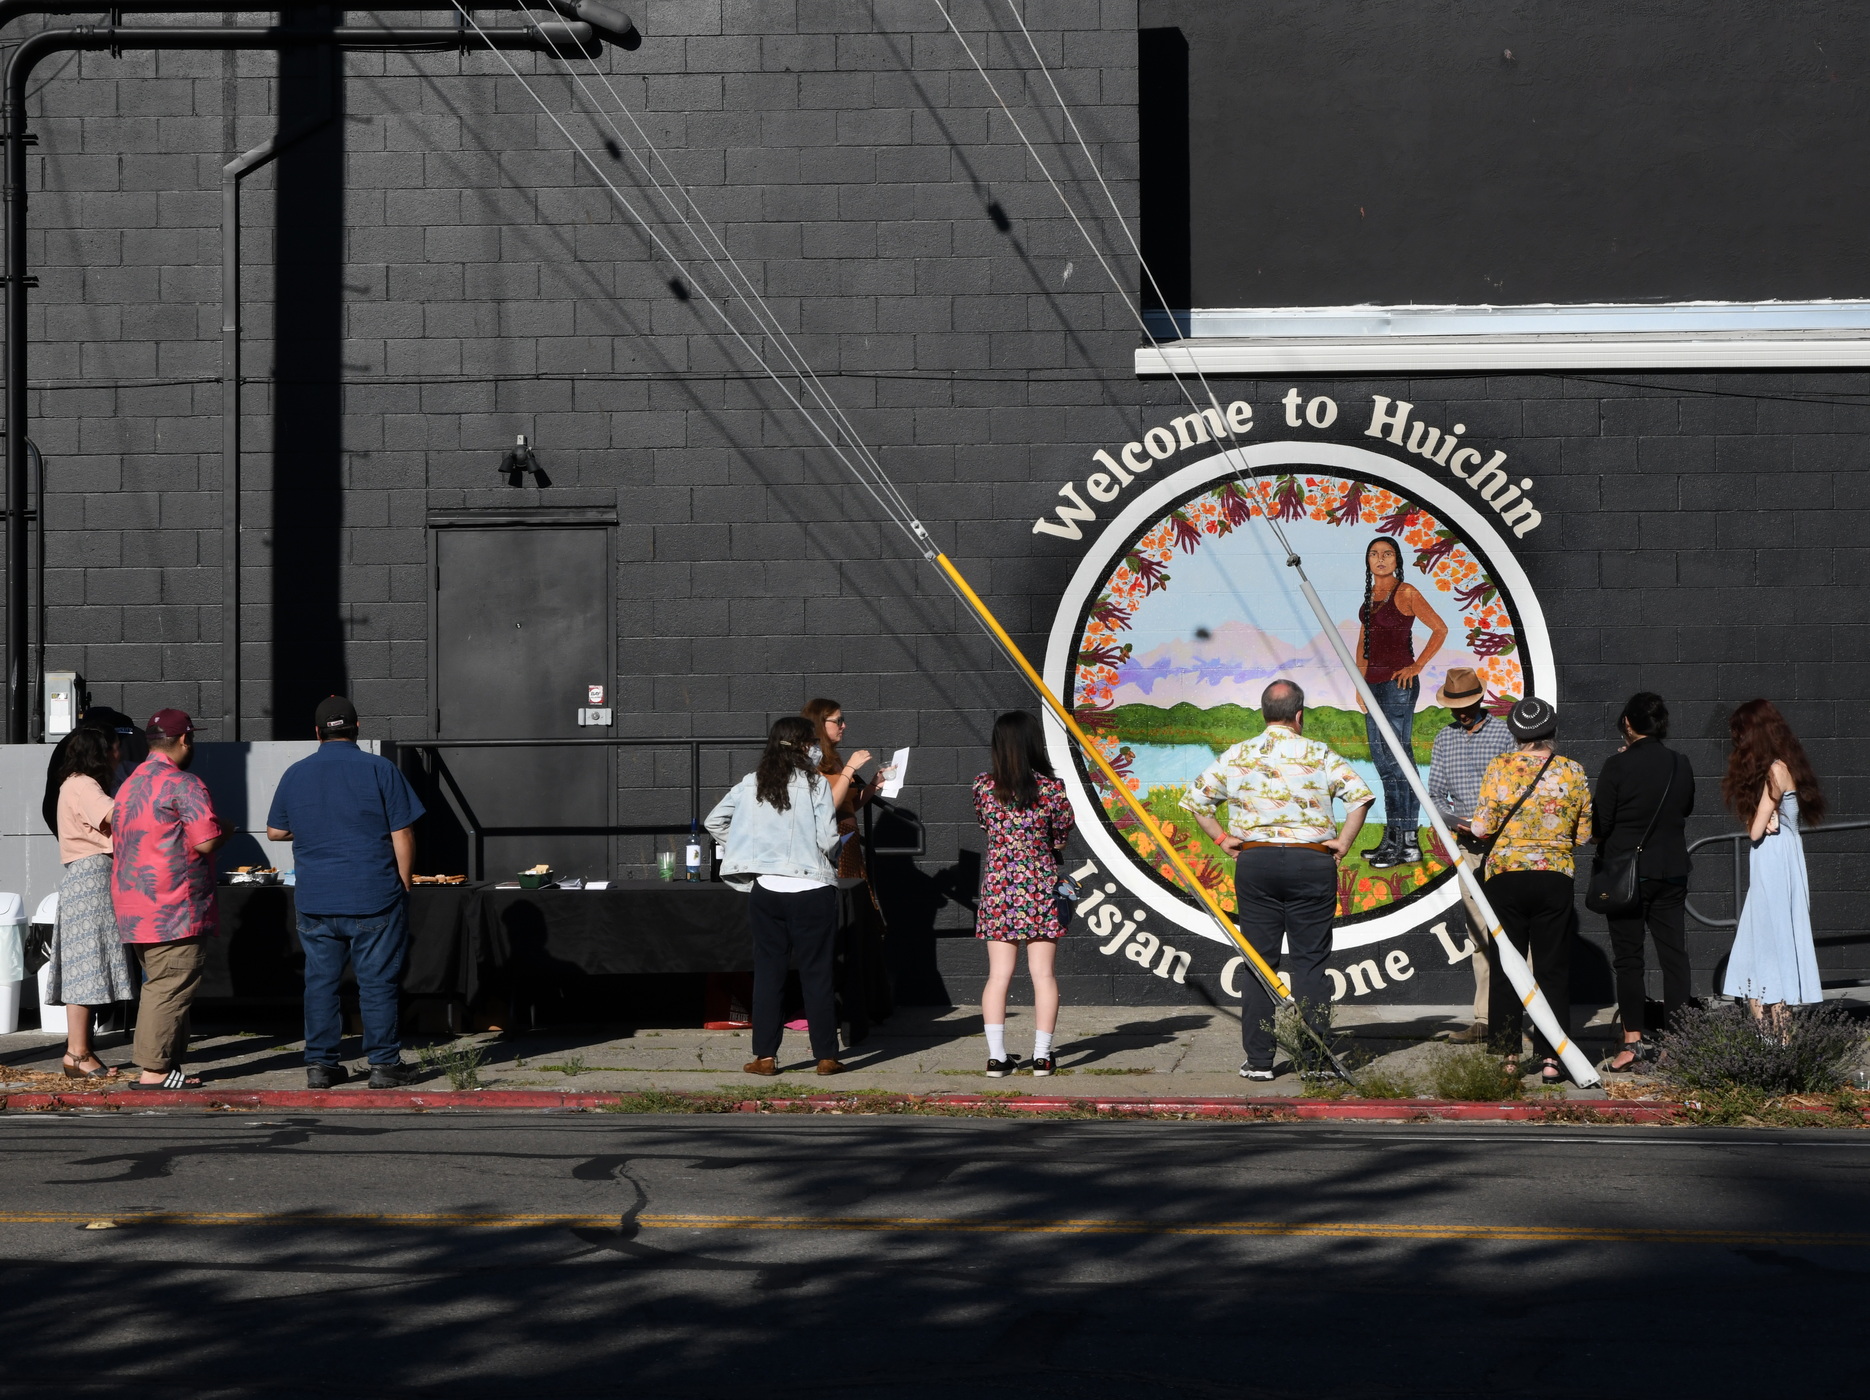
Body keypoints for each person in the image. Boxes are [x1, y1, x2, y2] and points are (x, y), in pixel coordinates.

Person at [1181, 679, 1374, 1080]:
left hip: (1257, 862)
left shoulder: (1238, 753)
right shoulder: (1319, 753)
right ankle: (1316, 1062)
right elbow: (1360, 797)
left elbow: (1197, 800)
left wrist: (1222, 839)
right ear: (1299, 715)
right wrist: (1343, 843)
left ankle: (1259, 1062)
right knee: (1311, 963)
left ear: (1263, 713)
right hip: (1311, 862)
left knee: (1258, 962)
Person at [265, 696, 427, 1089]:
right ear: (357, 728)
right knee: (376, 982)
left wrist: (316, 826)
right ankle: (384, 1065)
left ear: (317, 732)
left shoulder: (295, 773)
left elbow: (275, 831)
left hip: (316, 897)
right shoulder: (380, 768)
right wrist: (404, 882)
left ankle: (321, 1065)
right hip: (373, 893)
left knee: (320, 983)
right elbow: (403, 832)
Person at [706, 715, 845, 1076]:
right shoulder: (815, 784)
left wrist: (747, 851)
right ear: (803, 746)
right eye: (812, 742)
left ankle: (765, 1057)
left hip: (767, 890)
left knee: (769, 975)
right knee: (818, 974)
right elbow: (828, 838)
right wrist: (827, 855)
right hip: (812, 889)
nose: (816, 747)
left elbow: (714, 821)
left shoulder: (751, 783)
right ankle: (826, 1057)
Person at [1466, 698, 1593, 1085]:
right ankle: (1552, 1058)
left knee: (1508, 964)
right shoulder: (1573, 770)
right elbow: (1584, 835)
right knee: (1552, 969)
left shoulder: (1500, 767)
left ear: (1515, 733)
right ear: (1552, 732)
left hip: (1505, 874)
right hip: (1554, 875)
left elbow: (1481, 828)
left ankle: (1508, 1055)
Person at [111, 709, 226, 1089]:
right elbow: (206, 840)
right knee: (169, 988)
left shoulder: (128, 785)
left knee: (162, 983)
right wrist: (227, 829)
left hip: (135, 907)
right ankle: (154, 1072)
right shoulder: (184, 784)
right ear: (185, 740)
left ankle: (168, 1066)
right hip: (175, 908)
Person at [1592, 692, 1695, 1072]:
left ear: (1627, 723)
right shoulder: (1680, 763)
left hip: (1626, 876)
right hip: (1671, 871)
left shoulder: (1616, 766)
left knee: (1629, 959)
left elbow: (1600, 826)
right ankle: (1678, 1044)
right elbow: (1685, 808)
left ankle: (1632, 1043)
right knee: (1675, 958)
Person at [972, 710, 1075, 1077]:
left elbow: (986, 826)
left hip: (999, 888)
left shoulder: (983, 786)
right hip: (1039, 887)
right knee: (1043, 975)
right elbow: (1060, 835)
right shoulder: (1051, 789)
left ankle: (996, 1057)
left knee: (998, 975)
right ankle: (1042, 1056)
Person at [1719, 700, 1824, 1037]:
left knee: (1771, 950)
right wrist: (1764, 818)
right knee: (1756, 952)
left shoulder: (1776, 771)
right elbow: (1760, 823)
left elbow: (1753, 830)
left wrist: (1762, 818)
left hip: (1776, 866)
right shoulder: (1780, 768)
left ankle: (1779, 1044)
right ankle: (1771, 1044)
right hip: (1774, 863)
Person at [1427, 667, 1515, 1042]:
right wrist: (1454, 821)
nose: (1461, 712)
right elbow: (1433, 794)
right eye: (1455, 706)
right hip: (1469, 846)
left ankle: (1525, 1020)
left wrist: (1495, 821)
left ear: (1479, 700)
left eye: (1466, 704)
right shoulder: (1444, 738)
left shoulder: (1505, 735)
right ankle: (1485, 1019)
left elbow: (1519, 786)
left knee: (1515, 932)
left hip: (1507, 846)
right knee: (1478, 931)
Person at [47, 725, 136, 1078]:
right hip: (92, 879)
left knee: (85, 967)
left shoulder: (74, 783)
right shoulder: (84, 784)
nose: (119, 754)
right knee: (87, 968)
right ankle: (78, 1052)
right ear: (99, 752)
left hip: (86, 878)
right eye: (114, 748)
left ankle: (77, 1051)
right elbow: (120, 816)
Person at [1354, 536, 1448, 870]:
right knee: (1383, 762)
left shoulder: (1405, 592)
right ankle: (1393, 837)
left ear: (1397, 560)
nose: (1380, 559)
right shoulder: (1370, 595)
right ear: (1368, 561)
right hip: (1373, 685)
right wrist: (1359, 682)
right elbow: (1363, 642)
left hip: (1398, 685)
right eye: (1374, 554)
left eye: (1387, 554)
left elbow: (1439, 628)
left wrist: (1417, 666)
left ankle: (1408, 842)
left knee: (1399, 762)